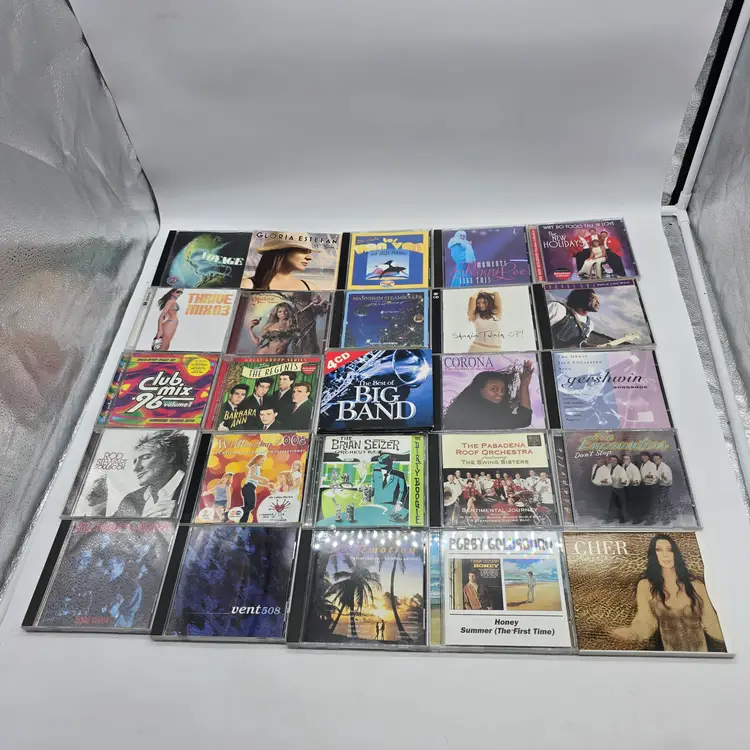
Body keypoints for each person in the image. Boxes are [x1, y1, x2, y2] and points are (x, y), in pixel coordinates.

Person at [610, 535, 725, 652]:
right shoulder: (645, 586)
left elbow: (711, 623)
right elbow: (646, 623)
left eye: (669, 550)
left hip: (702, 654)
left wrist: (732, 635)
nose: (665, 555)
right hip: (669, 656)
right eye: (659, 550)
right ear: (654, 555)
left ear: (675, 553)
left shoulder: (697, 585)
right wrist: (631, 633)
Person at [112, 431, 191, 517]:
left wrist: (183, 513)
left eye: (146, 457)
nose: (136, 468)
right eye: (135, 461)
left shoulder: (197, 487)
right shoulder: (131, 499)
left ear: (170, 457)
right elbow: (109, 524)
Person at [443, 361, 536, 430]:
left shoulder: (500, 414)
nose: (500, 393)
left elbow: (524, 419)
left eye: (502, 390)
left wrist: (524, 384)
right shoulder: (464, 413)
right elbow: (523, 418)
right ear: (480, 390)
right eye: (494, 389)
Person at [243, 238, 318, 291]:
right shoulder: (248, 285)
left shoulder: (310, 288)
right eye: (303, 251)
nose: (309, 257)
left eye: (309, 252)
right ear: (282, 251)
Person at [240, 453, 272, 523]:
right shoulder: (254, 466)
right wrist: (263, 478)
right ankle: (231, 512)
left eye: (264, 461)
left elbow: (256, 481)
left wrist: (267, 484)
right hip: (248, 487)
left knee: (247, 509)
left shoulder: (257, 468)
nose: (263, 462)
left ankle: (242, 524)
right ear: (257, 460)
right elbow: (252, 476)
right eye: (262, 460)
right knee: (251, 506)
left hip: (249, 488)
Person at [651, 452, 674, 524]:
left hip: (665, 486)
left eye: (657, 458)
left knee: (663, 502)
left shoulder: (665, 467)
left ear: (661, 459)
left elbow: (668, 480)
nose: (656, 460)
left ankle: (666, 519)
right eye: (654, 458)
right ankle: (671, 515)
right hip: (660, 485)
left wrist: (661, 478)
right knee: (662, 501)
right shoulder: (655, 466)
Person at [606, 454, 630, 523]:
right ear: (609, 461)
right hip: (613, 488)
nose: (613, 461)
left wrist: (623, 481)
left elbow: (625, 479)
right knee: (612, 504)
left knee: (622, 504)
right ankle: (609, 518)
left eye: (615, 460)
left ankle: (624, 519)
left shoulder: (620, 469)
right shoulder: (608, 466)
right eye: (611, 460)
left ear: (617, 461)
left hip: (620, 489)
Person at [622, 453, 644, 523]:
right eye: (624, 459)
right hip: (626, 487)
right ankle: (629, 517)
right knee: (628, 503)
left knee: (635, 504)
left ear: (630, 460)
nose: (626, 460)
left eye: (627, 459)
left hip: (633, 488)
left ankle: (638, 519)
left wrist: (630, 481)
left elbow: (637, 480)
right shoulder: (623, 466)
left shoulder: (634, 468)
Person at [640, 451, 658, 521]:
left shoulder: (652, 464)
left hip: (652, 486)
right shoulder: (642, 465)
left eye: (645, 456)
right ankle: (649, 517)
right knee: (647, 503)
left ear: (649, 457)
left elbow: (652, 476)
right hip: (645, 486)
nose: (644, 457)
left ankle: (653, 519)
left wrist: (647, 477)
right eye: (642, 456)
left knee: (652, 503)